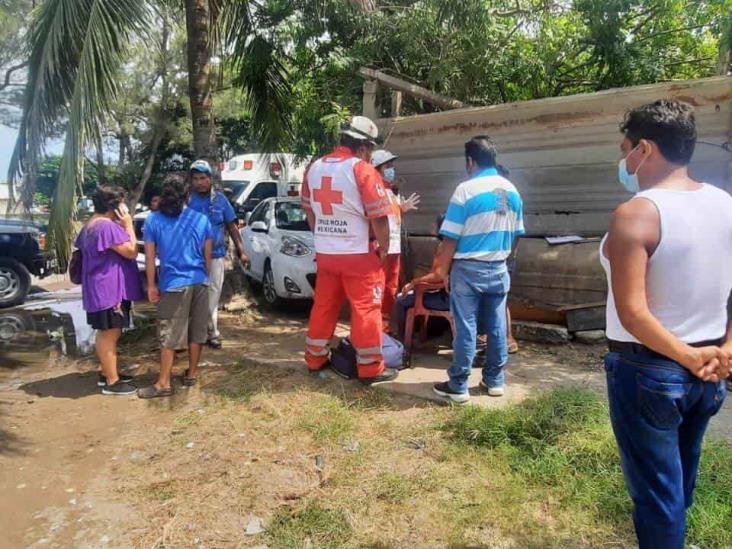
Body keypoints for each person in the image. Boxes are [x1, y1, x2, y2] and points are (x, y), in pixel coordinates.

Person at [601, 99, 732, 549]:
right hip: (707, 372)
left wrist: (690, 357)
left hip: (651, 373)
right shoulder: (725, 204)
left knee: (657, 496)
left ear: (644, 148)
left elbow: (633, 313)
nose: (623, 161)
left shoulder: (637, 213)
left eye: (625, 149)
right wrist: (724, 350)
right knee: (679, 483)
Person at [301, 116, 398, 383]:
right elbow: (379, 217)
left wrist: (322, 237)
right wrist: (385, 249)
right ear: (364, 146)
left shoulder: (314, 167)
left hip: (326, 254)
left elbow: (309, 210)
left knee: (324, 305)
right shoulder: (363, 170)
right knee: (367, 308)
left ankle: (315, 358)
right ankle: (370, 368)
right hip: (358, 254)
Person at [432, 136, 525, 403]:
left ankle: (458, 385)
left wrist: (442, 271)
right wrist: (503, 258)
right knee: (496, 326)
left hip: (468, 269)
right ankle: (495, 381)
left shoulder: (465, 190)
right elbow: (518, 233)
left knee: (466, 327)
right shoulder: (512, 191)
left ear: (470, 161)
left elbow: (449, 237)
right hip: (499, 267)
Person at [139, 175, 214, 398]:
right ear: (187, 195)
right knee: (196, 330)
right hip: (199, 281)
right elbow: (207, 257)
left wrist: (151, 285)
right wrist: (203, 278)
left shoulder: (153, 221)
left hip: (173, 285)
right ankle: (191, 374)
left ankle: (163, 383)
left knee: (169, 334)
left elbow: (150, 259)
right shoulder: (201, 220)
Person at [76, 186, 144, 395]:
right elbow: (131, 251)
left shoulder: (90, 225)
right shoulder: (106, 227)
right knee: (109, 334)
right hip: (109, 290)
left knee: (107, 332)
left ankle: (107, 373)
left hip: (99, 288)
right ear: (114, 206)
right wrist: (129, 225)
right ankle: (112, 383)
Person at [187, 159, 248, 349]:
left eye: (203, 178)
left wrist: (242, 251)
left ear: (210, 179)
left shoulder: (220, 200)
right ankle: (196, 332)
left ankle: (211, 333)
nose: (200, 182)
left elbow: (232, 226)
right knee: (192, 295)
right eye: (196, 178)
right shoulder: (186, 200)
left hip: (215, 256)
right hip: (192, 258)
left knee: (213, 295)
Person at [370, 149, 420, 328]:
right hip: (381, 248)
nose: (392, 169)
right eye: (388, 166)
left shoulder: (391, 192)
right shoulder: (374, 190)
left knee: (391, 288)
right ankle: (377, 325)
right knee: (379, 288)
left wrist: (402, 208)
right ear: (377, 169)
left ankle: (386, 324)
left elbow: (393, 218)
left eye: (392, 166)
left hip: (394, 247)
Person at [393, 214, 450, 339]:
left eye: (435, 224)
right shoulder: (452, 245)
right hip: (451, 296)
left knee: (400, 300)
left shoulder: (445, 247)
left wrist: (414, 283)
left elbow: (438, 276)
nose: (432, 226)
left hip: (445, 299)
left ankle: (403, 339)